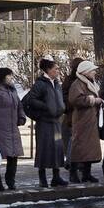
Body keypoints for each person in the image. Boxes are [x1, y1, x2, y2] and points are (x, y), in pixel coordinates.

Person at [27, 58, 67, 187]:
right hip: (44, 122)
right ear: (48, 70)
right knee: (44, 149)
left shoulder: (56, 84)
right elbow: (30, 100)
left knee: (57, 148)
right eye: (55, 69)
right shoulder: (40, 84)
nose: (58, 71)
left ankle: (56, 176)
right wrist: (45, 106)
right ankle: (42, 178)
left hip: (56, 122)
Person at [67, 59, 103, 183]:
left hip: (90, 119)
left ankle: (87, 173)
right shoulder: (77, 84)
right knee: (79, 147)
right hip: (82, 120)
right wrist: (93, 100)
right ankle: (73, 173)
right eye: (92, 70)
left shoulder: (89, 82)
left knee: (89, 148)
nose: (94, 72)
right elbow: (75, 100)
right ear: (86, 72)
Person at [63, 57, 83, 180]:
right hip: (73, 115)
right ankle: (72, 165)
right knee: (73, 141)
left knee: (77, 141)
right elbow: (67, 99)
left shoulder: (80, 80)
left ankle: (77, 164)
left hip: (80, 116)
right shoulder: (72, 82)